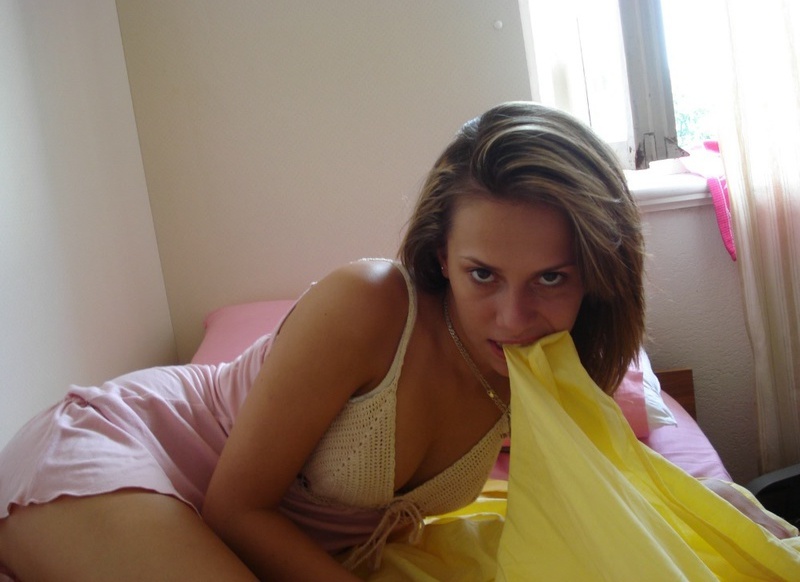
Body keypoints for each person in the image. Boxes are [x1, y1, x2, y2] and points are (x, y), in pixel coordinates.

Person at [0, 102, 786, 581]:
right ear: (441, 255)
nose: (513, 316)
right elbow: (238, 506)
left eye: (552, 278)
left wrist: (747, 521)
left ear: (596, 279)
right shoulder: (372, 305)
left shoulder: (545, 366)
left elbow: (620, 475)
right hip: (122, 454)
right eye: (482, 274)